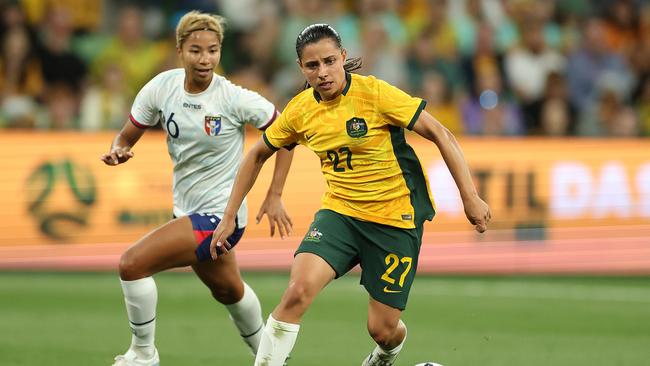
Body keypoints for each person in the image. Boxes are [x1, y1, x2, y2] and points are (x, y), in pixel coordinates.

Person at [210, 24, 490, 366]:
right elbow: (257, 154)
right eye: (313, 66)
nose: (323, 72)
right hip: (339, 215)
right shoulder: (299, 110)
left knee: (383, 330)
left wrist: (470, 196)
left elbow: (440, 133)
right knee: (296, 293)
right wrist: (230, 216)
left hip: (394, 219)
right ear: (302, 68)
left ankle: (384, 355)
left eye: (329, 61)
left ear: (343, 57)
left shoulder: (375, 94)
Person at [100, 11, 294, 366]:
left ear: (220, 52)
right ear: (180, 50)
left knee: (131, 265)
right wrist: (119, 150)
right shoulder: (162, 88)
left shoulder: (233, 98)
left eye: (213, 50)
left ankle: (144, 355)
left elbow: (286, 133)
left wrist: (275, 193)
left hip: (222, 218)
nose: (205, 59)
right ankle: (271, 360)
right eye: (196, 51)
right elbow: (128, 134)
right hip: (187, 211)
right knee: (229, 290)